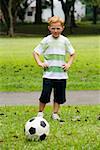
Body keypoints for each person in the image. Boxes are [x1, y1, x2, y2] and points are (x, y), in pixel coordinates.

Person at [33, 16, 75, 122]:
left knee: (58, 96)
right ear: (49, 28)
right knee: (45, 94)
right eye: (53, 28)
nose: (55, 31)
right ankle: (40, 113)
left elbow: (72, 53)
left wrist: (68, 64)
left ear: (62, 28)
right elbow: (36, 52)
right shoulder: (46, 40)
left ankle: (55, 113)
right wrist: (40, 62)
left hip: (61, 75)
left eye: (58, 28)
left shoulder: (65, 40)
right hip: (48, 75)